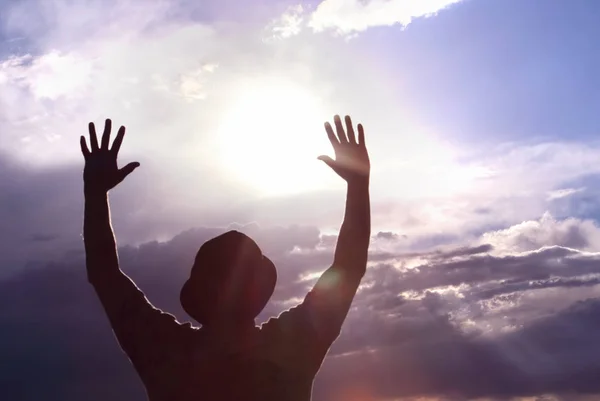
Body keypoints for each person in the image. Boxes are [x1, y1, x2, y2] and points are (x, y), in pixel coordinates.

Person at [80, 115, 371, 401]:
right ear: (258, 290)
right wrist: (357, 186)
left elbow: (104, 273)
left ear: (200, 293)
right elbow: (348, 268)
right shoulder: (292, 344)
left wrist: (95, 194)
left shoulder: (166, 350)